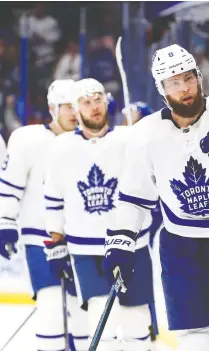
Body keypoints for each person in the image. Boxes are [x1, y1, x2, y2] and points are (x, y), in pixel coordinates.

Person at [102, 44, 209, 351]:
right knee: (197, 342)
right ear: (161, 89)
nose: (185, 88)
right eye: (174, 83)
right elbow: (134, 198)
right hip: (182, 248)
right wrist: (121, 244)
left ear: (199, 77)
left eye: (188, 78)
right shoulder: (145, 135)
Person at [44, 78, 154, 350]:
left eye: (98, 100)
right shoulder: (61, 148)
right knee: (99, 318)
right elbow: (54, 199)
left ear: (107, 102)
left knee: (136, 320)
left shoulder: (129, 140)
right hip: (85, 248)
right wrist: (56, 242)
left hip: (131, 245)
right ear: (76, 108)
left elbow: (147, 186)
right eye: (85, 102)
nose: (93, 107)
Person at [0, 80, 89, 350]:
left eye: (77, 106)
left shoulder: (88, 142)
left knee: (83, 312)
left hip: (80, 240)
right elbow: (10, 185)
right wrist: (5, 222)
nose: (73, 113)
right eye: (66, 107)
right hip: (40, 239)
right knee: (51, 309)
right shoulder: (28, 140)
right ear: (52, 108)